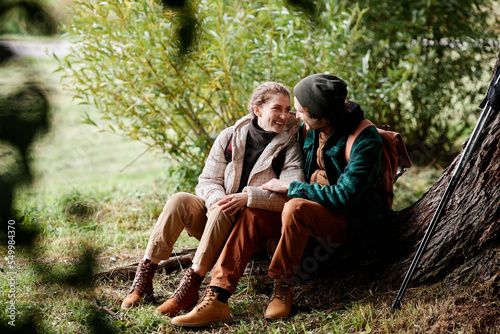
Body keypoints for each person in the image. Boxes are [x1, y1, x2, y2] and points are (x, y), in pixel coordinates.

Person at [170, 73, 387, 327]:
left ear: (321, 116)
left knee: (295, 206)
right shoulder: (310, 128)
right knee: (254, 212)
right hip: (303, 216)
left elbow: (343, 199)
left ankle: (283, 287)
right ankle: (217, 297)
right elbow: (264, 126)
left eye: (299, 112)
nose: (293, 117)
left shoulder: (365, 140)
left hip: (347, 224)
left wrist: (293, 186)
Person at [120, 82, 304, 317]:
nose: (284, 116)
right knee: (180, 200)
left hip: (252, 233)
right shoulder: (230, 136)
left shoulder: (290, 145)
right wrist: (219, 200)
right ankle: (143, 280)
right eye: (276, 108)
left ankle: (190, 287)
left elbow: (290, 192)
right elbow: (207, 180)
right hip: (215, 223)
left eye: (287, 109)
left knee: (223, 208)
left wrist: (247, 197)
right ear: (257, 109)